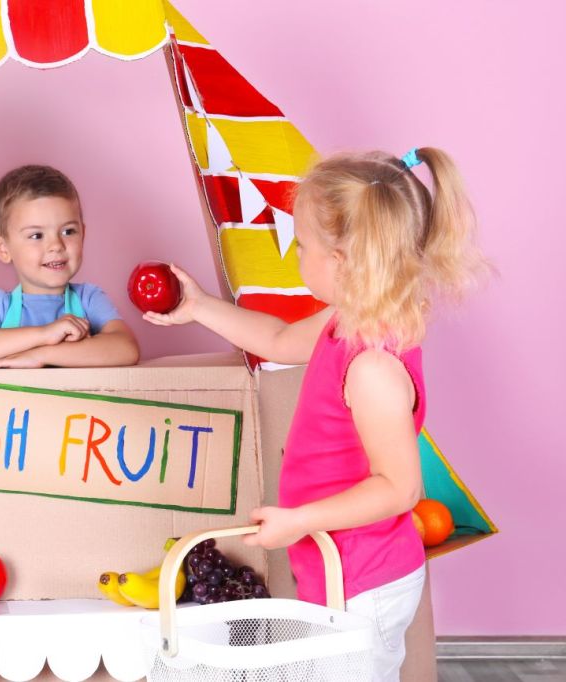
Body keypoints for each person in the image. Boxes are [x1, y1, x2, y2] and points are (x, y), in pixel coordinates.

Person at [144, 148, 487, 680]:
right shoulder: (347, 319)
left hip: (362, 578)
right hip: (336, 567)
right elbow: (279, 341)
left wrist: (299, 520)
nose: (297, 257)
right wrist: (198, 307)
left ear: (344, 261)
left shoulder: (371, 365)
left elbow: (400, 489)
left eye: (303, 246)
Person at [0, 165, 139, 369]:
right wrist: (45, 333)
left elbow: (126, 348)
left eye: (68, 231)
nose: (56, 245)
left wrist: (40, 355)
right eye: (36, 235)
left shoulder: (89, 299)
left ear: (83, 234)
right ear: (3, 248)